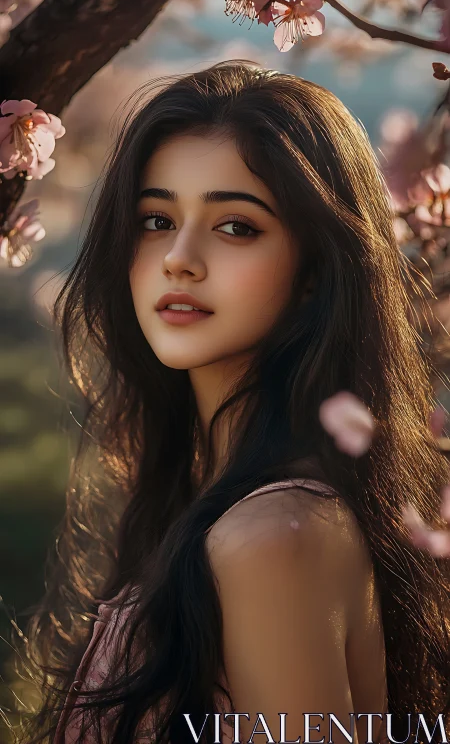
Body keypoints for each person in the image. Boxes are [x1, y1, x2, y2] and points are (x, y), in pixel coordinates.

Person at [21, 61, 450, 744]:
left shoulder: (273, 535)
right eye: (157, 219)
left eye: (236, 227)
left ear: (315, 273)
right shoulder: (226, 506)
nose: (179, 259)